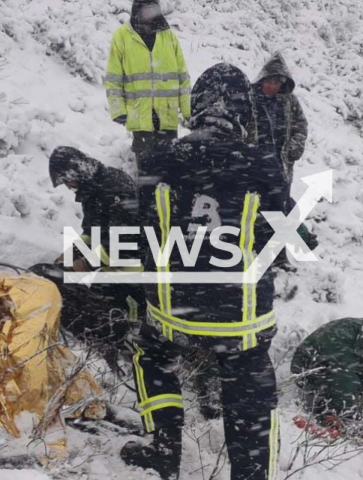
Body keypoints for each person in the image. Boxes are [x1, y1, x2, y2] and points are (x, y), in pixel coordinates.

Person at [121, 63, 284, 480]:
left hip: (175, 309)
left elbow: (143, 234)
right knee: (249, 387)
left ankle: (163, 451)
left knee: (152, 355)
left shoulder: (158, 159)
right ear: (243, 112)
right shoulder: (263, 164)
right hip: (242, 314)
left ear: (195, 107)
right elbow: (274, 239)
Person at [31, 146, 143, 369]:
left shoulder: (114, 188)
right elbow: (93, 232)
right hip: (113, 263)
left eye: (67, 181)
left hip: (135, 268)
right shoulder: (95, 189)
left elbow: (123, 242)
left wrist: (87, 263)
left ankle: (127, 336)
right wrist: (71, 255)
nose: (69, 187)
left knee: (117, 311)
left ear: (76, 171)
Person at [105, 0, 191, 163]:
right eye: (146, 9)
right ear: (137, 9)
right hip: (140, 115)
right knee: (147, 170)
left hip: (167, 115)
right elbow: (113, 78)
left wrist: (187, 111)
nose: (150, 13)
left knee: (170, 167)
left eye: (153, 9)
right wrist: (118, 109)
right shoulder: (122, 37)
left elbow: (183, 76)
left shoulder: (168, 36)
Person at [253, 53, 317, 265]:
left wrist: (293, 150)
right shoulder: (251, 100)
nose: (271, 87)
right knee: (259, 213)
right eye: (268, 82)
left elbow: (301, 127)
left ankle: (279, 257)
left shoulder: (290, 102)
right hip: (255, 168)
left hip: (281, 168)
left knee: (279, 211)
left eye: (276, 83)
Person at [290, 318, 363, 418]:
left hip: (343, 364)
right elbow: (344, 381)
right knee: (350, 383)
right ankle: (331, 412)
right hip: (307, 369)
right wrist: (350, 415)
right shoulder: (340, 342)